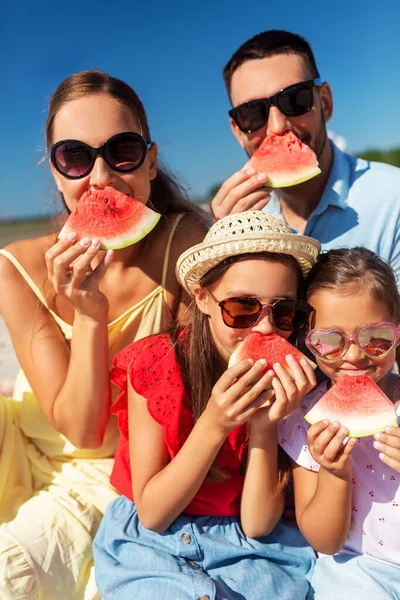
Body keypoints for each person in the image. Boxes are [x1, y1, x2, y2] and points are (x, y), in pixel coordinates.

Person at [0, 69, 208, 600]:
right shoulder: (13, 266)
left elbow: (89, 434)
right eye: (74, 157)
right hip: (18, 442)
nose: (100, 179)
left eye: (122, 151)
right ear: (55, 171)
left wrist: (89, 314)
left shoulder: (184, 246)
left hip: (107, 472)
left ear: (151, 159)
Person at [92, 211, 320, 600]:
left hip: (249, 547)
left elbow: (258, 524)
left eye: (284, 312)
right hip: (153, 541)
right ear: (203, 298)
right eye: (242, 308)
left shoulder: (295, 379)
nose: (264, 329)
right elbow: (153, 513)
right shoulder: (153, 365)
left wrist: (265, 426)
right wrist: (215, 423)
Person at [211, 29, 400, 288]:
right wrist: (223, 252)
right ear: (237, 130)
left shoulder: (393, 202)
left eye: (294, 99)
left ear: (325, 102)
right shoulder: (238, 222)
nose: (277, 127)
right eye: (252, 113)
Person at [279, 247, 400, 599]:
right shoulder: (304, 421)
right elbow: (326, 541)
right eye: (329, 341)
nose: (354, 355)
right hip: (358, 571)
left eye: (375, 337)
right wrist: (333, 471)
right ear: (307, 340)